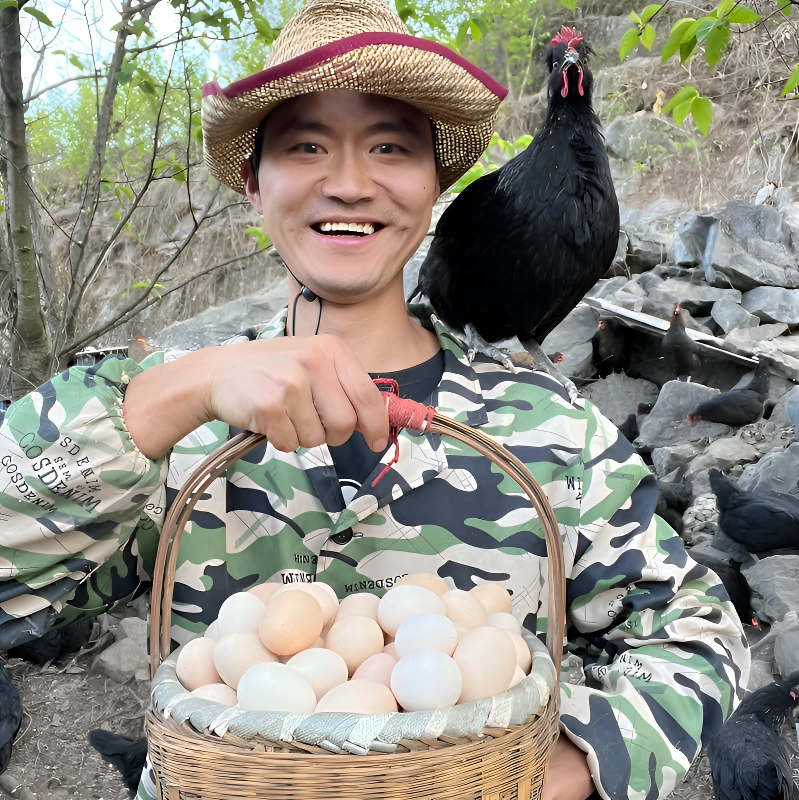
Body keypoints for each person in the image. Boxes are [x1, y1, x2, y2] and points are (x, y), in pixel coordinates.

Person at [0, 0, 749, 798]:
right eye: (307, 145)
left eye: (390, 146)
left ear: (435, 185)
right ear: (254, 184)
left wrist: (562, 770)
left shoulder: (554, 431)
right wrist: (180, 388)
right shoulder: (162, 425)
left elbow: (697, 632)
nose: (350, 184)